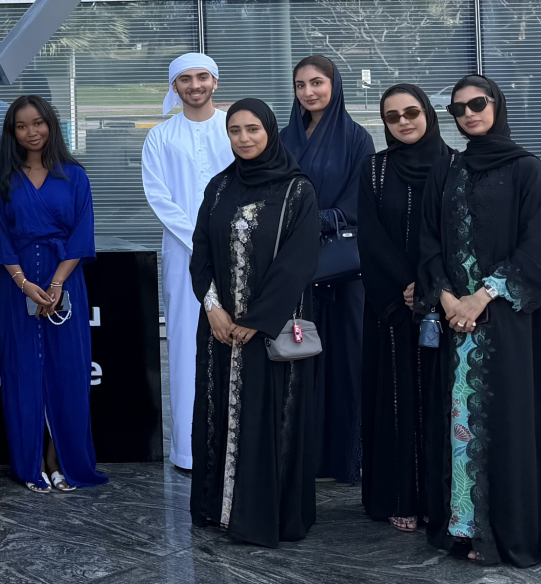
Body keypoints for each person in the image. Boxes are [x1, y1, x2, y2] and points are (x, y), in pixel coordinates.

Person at [417, 75, 541, 567]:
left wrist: (481, 298)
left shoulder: (527, 169)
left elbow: (539, 247)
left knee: (508, 421)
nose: (468, 114)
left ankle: (505, 530)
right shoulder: (448, 170)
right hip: (455, 323)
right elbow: (427, 240)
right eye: (457, 108)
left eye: (477, 103)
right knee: (458, 421)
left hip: (506, 321)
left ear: (497, 105)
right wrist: (447, 299)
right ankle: (464, 526)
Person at [191, 98, 320, 547]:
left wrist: (258, 319)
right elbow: (201, 252)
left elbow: (298, 262)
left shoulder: (297, 190)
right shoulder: (219, 187)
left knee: (268, 416)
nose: (243, 139)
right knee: (218, 414)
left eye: (253, 129)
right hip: (220, 328)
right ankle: (218, 508)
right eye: (235, 131)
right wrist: (213, 308)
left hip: (272, 330)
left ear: (270, 132)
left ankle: (262, 516)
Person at [0, 95, 105, 493]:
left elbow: (82, 235)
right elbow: (0, 240)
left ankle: (61, 460)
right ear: (12, 133)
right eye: (21, 126)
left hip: (64, 283)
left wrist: (56, 284)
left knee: (68, 372)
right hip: (16, 285)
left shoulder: (75, 175)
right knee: (22, 372)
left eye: (37, 123)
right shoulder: (3, 180)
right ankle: (31, 461)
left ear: (51, 124)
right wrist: (24, 284)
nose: (31, 132)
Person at [357, 84, 451, 532]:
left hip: (444, 304)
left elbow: (460, 235)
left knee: (440, 398)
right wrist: (405, 289)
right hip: (391, 305)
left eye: (411, 112)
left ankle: (440, 498)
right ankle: (399, 496)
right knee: (396, 398)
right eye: (392, 117)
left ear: (428, 113)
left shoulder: (454, 165)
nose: (403, 122)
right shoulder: (375, 169)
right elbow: (370, 236)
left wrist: (431, 287)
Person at [280, 55, 373, 483]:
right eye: (300, 85)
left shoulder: (357, 138)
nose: (309, 92)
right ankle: (305, 457)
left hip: (344, 271)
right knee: (298, 357)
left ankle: (346, 459)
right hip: (296, 266)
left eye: (317, 82)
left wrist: (318, 219)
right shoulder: (284, 137)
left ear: (335, 85)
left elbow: (362, 199)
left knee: (347, 361)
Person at [141, 52, 233, 474]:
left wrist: (224, 238)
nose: (194, 86)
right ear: (174, 87)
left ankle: (235, 445)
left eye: (202, 77)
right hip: (183, 253)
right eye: (185, 79)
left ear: (214, 82)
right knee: (183, 343)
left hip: (234, 249)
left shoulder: (234, 127)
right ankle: (188, 450)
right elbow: (158, 195)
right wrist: (197, 239)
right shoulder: (160, 136)